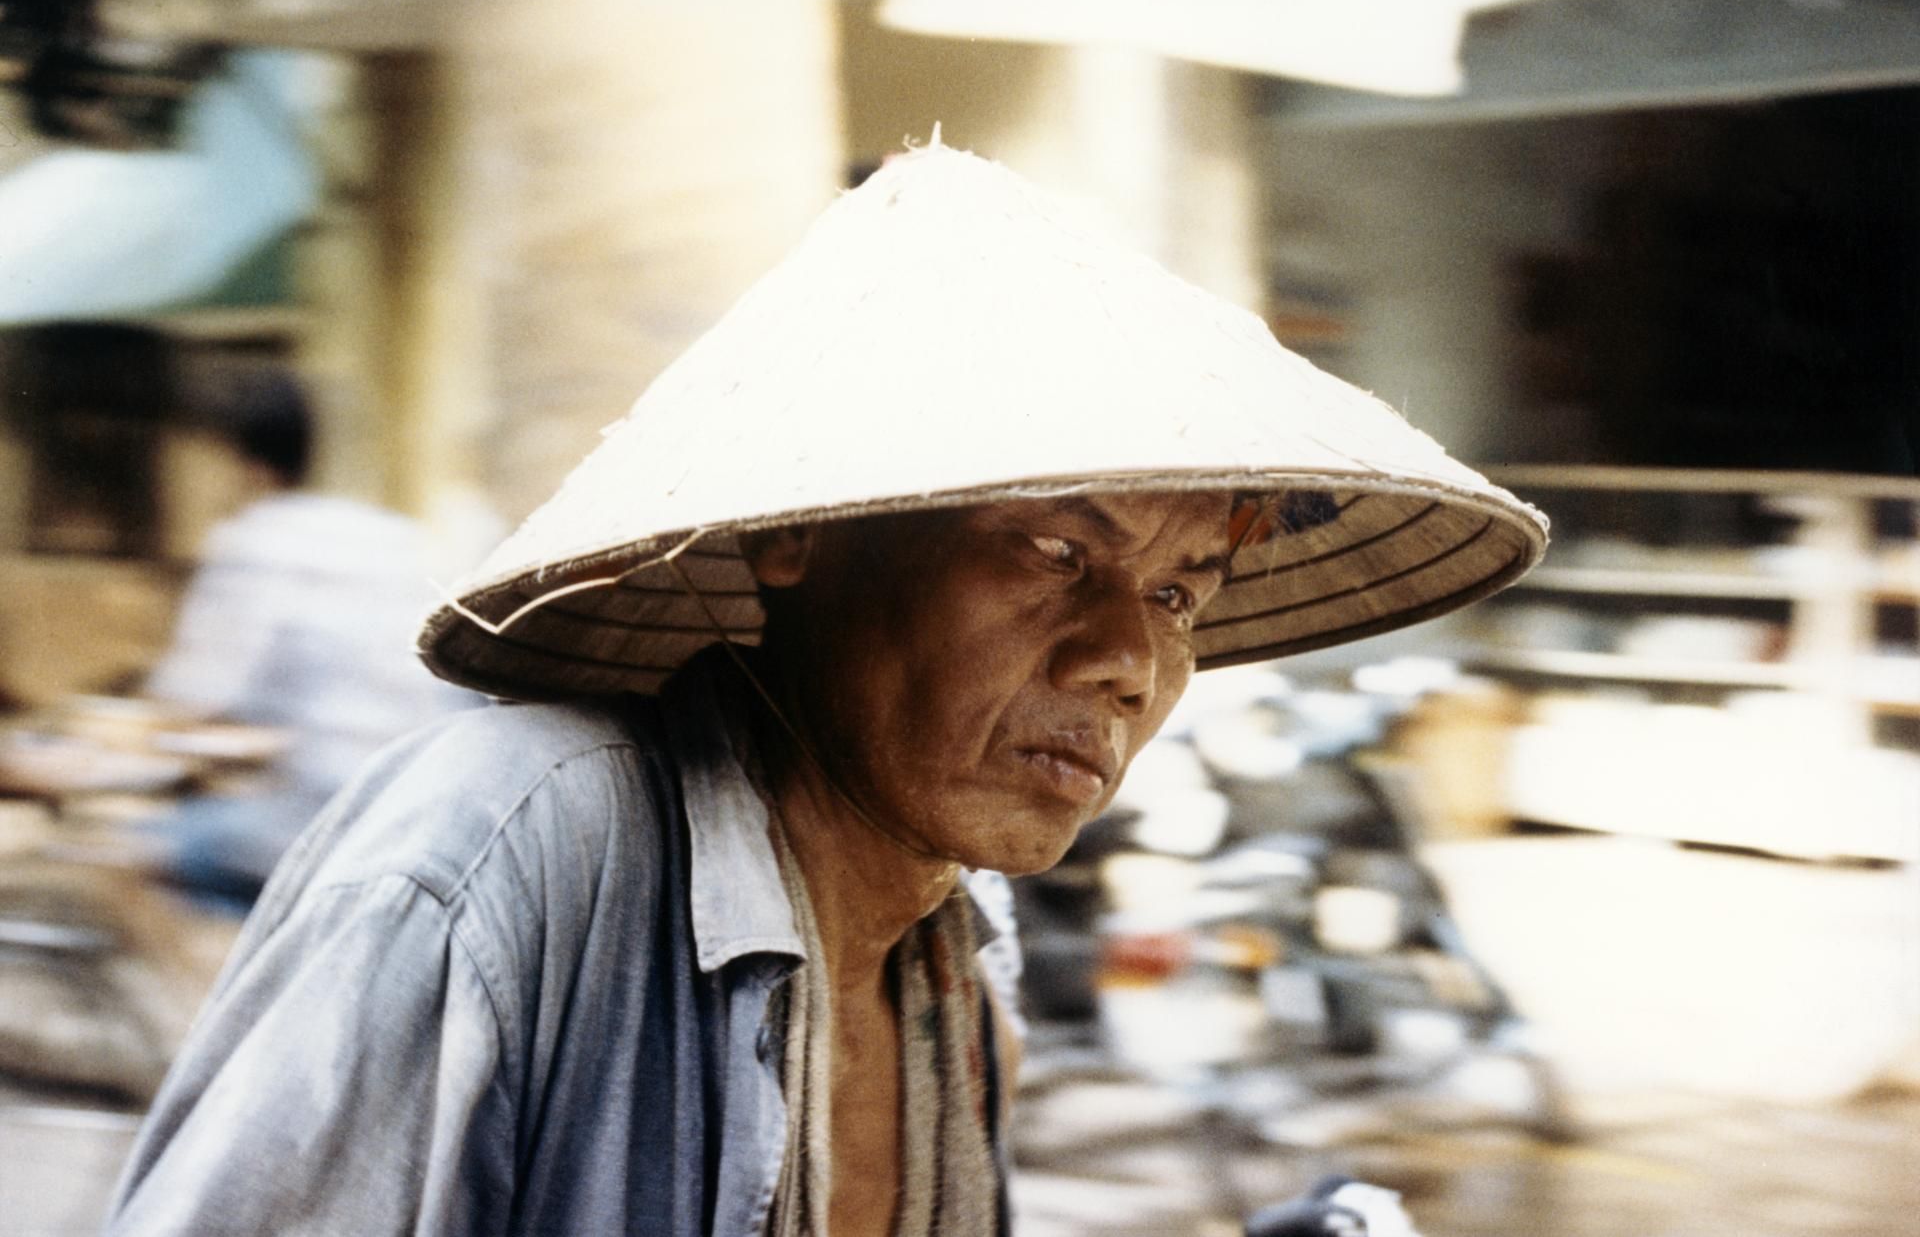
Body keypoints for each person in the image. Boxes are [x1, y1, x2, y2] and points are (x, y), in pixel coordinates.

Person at [106, 142, 1546, 1235]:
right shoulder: (501, 857)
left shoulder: (958, 957)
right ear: (799, 535)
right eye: (1057, 551)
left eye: (1178, 593)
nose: (1126, 659)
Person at [141, 370, 476, 905]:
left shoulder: (254, 541)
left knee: (141, 849)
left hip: (318, 823)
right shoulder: (395, 536)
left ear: (236, 461)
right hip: (416, 815)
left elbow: (193, 700)